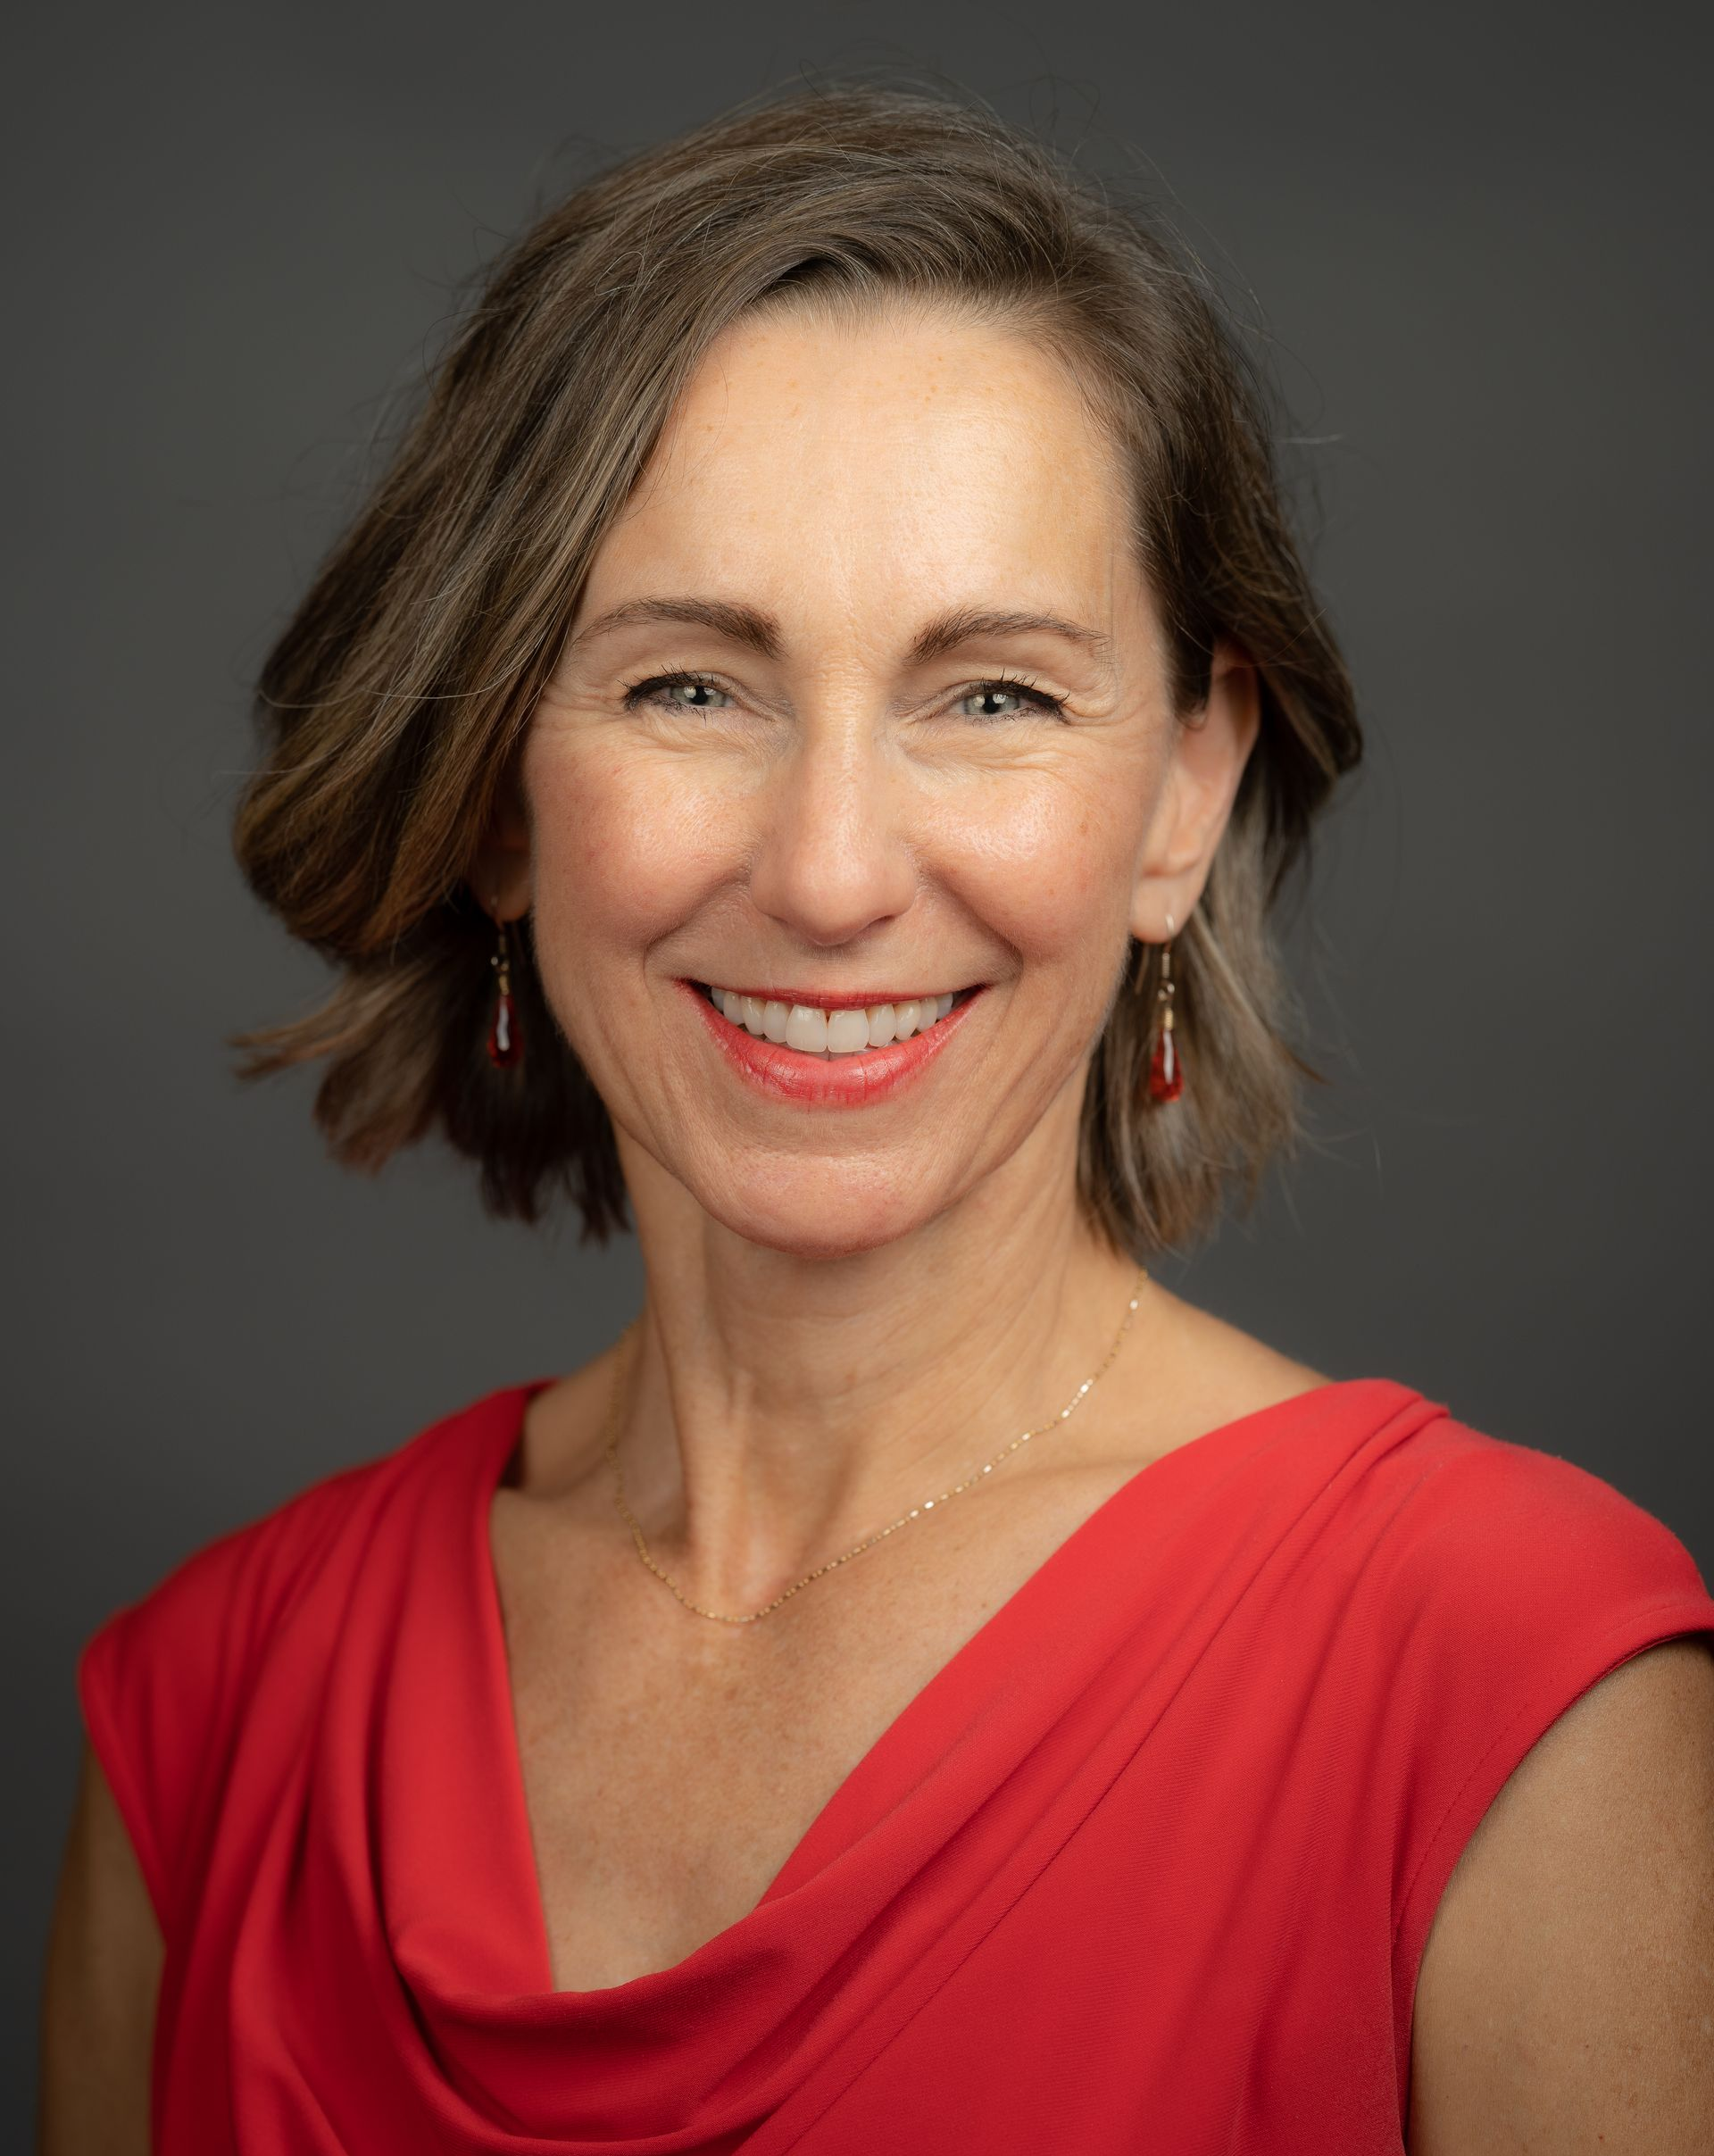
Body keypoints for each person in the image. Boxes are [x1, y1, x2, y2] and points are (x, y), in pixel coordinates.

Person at [37, 78, 1714, 2156]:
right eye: (690, 686)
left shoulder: (1508, 1687)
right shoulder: (209, 1729)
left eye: (992, 693)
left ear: (1184, 792)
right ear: (490, 798)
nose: (832, 870)